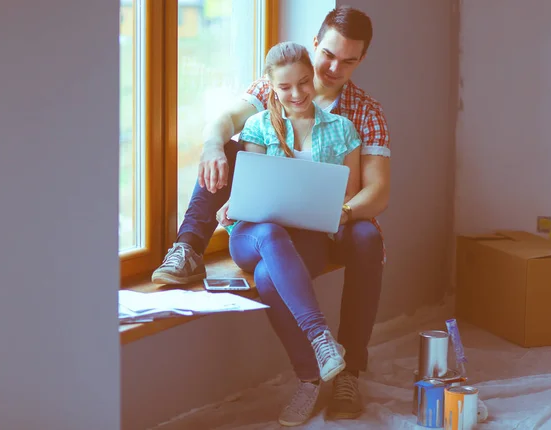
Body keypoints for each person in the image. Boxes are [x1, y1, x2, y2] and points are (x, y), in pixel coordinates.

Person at [152, 6, 390, 425]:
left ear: (362, 59)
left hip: (330, 225)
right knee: (228, 152)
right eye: (329, 54)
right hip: (267, 226)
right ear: (316, 44)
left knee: (367, 240)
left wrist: (342, 210)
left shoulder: (360, 114)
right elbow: (229, 127)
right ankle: (188, 247)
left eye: (348, 60)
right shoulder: (275, 88)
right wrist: (215, 155)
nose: (334, 67)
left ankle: (345, 370)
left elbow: (376, 190)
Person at [219, 41, 362, 425]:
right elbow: (249, 193)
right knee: (268, 233)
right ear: (270, 87)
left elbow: (349, 194)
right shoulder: (258, 126)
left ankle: (308, 381)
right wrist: (232, 205)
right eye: (285, 87)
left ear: (311, 76)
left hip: (309, 240)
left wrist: (329, 206)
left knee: (269, 278)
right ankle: (320, 338)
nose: (297, 94)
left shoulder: (342, 129)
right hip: (253, 235)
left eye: (303, 82)